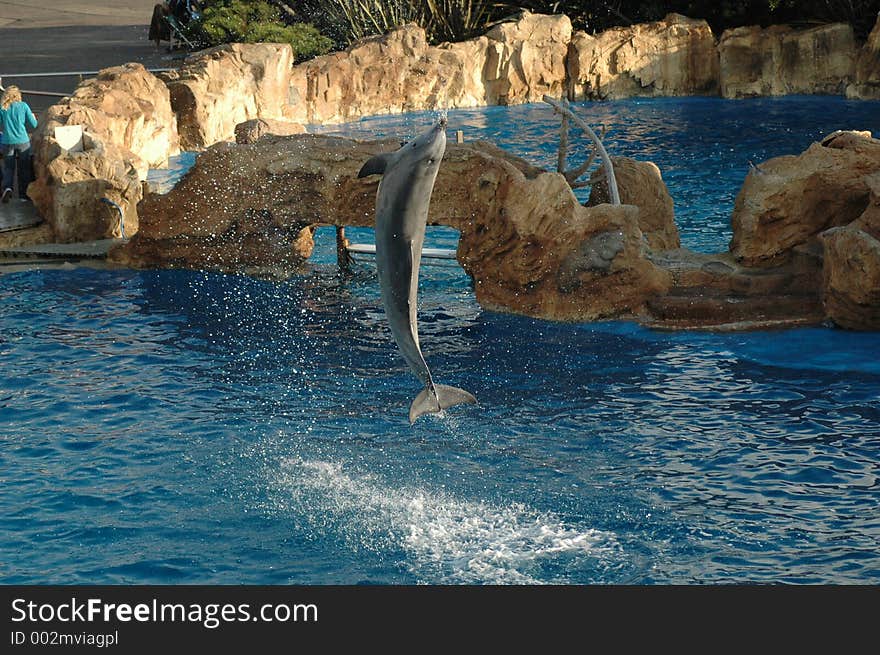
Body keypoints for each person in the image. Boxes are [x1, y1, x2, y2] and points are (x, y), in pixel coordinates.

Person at [0, 85, 38, 203]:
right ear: (18, 95)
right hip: (23, 141)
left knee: (8, 168)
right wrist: (33, 117)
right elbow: (34, 125)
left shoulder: (2, 108)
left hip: (7, 141)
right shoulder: (23, 106)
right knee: (24, 169)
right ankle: (23, 195)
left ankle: (7, 188)